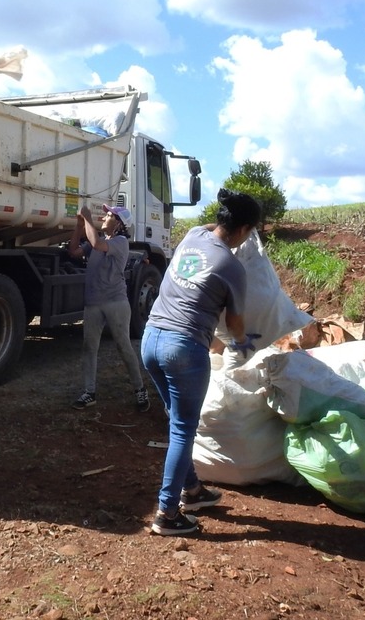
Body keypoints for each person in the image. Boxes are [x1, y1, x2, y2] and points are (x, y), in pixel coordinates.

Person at [141, 188, 263, 536]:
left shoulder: (195, 235)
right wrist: (241, 343)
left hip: (151, 338)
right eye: (250, 231)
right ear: (242, 230)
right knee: (183, 429)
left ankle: (192, 491)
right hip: (183, 349)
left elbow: (214, 225)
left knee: (177, 419)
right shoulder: (232, 266)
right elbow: (236, 324)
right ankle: (167, 514)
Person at [68, 203, 150, 412]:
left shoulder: (120, 242)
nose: (104, 217)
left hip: (116, 302)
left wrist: (86, 218)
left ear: (120, 224)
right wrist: (79, 225)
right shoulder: (102, 241)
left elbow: (94, 244)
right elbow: (75, 251)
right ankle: (89, 392)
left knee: (124, 346)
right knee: (89, 347)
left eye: (109, 216)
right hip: (93, 302)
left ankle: (140, 389)